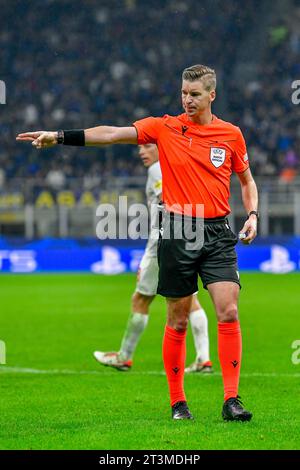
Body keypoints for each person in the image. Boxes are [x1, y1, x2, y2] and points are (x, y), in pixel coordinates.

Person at [17, 63, 259, 422]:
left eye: (194, 94)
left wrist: (252, 214)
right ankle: (178, 402)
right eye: (183, 93)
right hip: (178, 229)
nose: (187, 100)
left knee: (229, 310)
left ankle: (231, 400)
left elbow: (246, 181)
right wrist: (59, 135)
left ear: (212, 95)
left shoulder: (231, 135)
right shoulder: (164, 126)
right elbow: (112, 134)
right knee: (177, 319)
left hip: (218, 231)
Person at [93, 143, 213, 373]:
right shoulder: (180, 166)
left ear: (162, 148)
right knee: (189, 298)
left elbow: (167, 200)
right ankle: (203, 359)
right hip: (188, 237)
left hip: (163, 241)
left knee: (141, 299)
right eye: (140, 147)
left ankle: (124, 356)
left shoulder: (158, 168)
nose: (141, 151)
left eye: (148, 146)